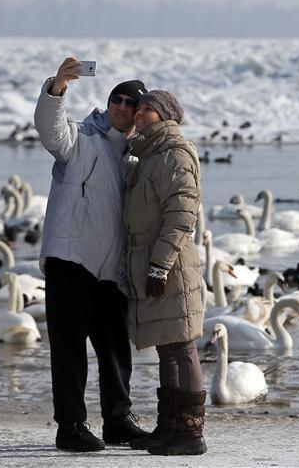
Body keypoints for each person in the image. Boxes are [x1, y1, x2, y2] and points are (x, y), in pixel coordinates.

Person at [33, 57, 150, 452]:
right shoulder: (81, 138)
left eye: (130, 103)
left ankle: (118, 421)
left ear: (139, 114)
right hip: (71, 259)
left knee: (116, 350)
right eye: (116, 99)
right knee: (69, 350)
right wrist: (58, 88)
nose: (121, 107)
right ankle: (71, 427)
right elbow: (51, 132)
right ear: (109, 103)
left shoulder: (134, 159)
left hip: (110, 269)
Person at [122, 90, 207, 456]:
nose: (139, 114)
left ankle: (191, 433)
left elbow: (181, 214)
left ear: (166, 116)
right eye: (139, 108)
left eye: (148, 110)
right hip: (150, 261)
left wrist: (160, 264)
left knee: (182, 347)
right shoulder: (147, 154)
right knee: (166, 348)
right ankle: (169, 427)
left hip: (171, 264)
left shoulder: (174, 154)